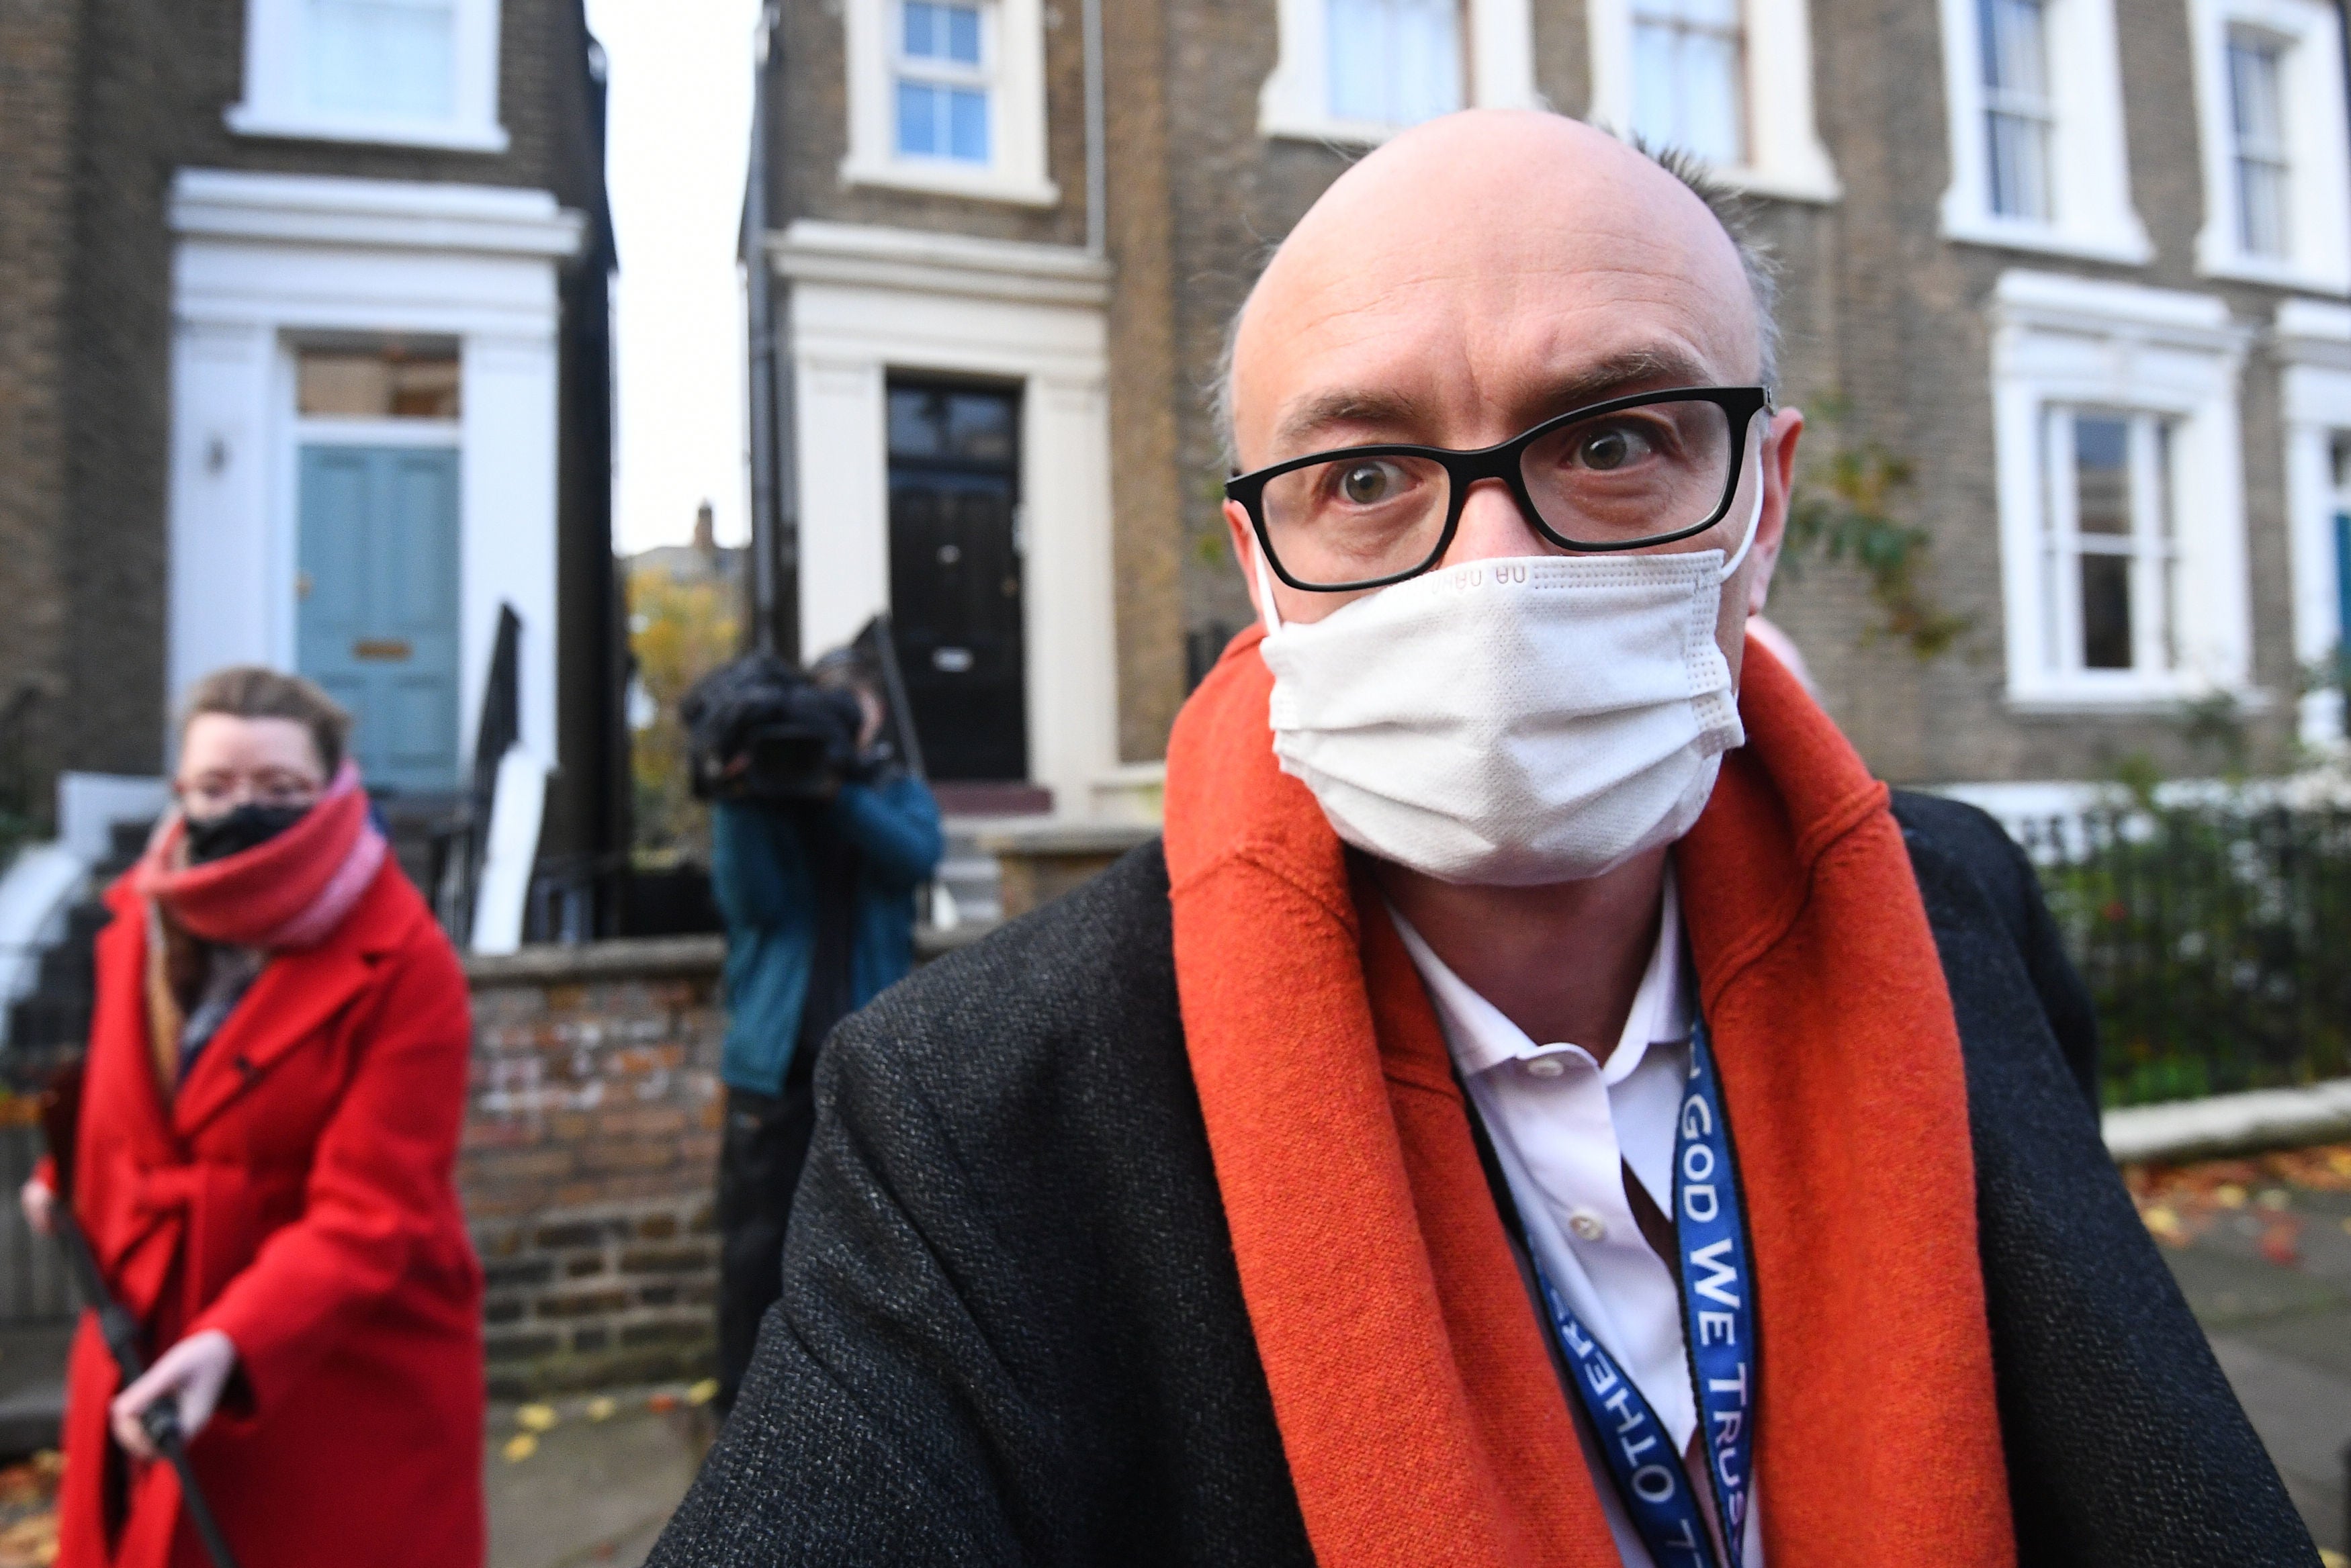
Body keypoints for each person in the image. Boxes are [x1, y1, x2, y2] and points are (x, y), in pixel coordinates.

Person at [650, 112, 2311, 1567]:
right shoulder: (982, 1108)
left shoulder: (1960, 912)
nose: (1490, 571)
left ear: (1764, 500)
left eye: (1611, 441)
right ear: (1259, 557)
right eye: (1365, 471)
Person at [20, 666, 485, 1568]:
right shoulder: (139, 925)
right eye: (216, 786)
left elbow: (373, 1208)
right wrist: (66, 1174)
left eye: (280, 788)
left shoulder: (408, 964)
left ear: (335, 790)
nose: (245, 808)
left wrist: (234, 1339)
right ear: (179, 794)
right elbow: (134, 1107)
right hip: (143, 1339)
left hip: (327, 1378)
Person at [703, 649, 942, 1413]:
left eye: (851, 706)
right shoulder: (764, 803)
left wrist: (837, 791)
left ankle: (865, 1400)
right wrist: (742, 795)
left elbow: (915, 859)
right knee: (755, 1244)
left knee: (875, 1243)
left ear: (871, 715)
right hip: (775, 1060)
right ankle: (742, 1407)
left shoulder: (895, 794)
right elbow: (755, 906)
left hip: (870, 1061)